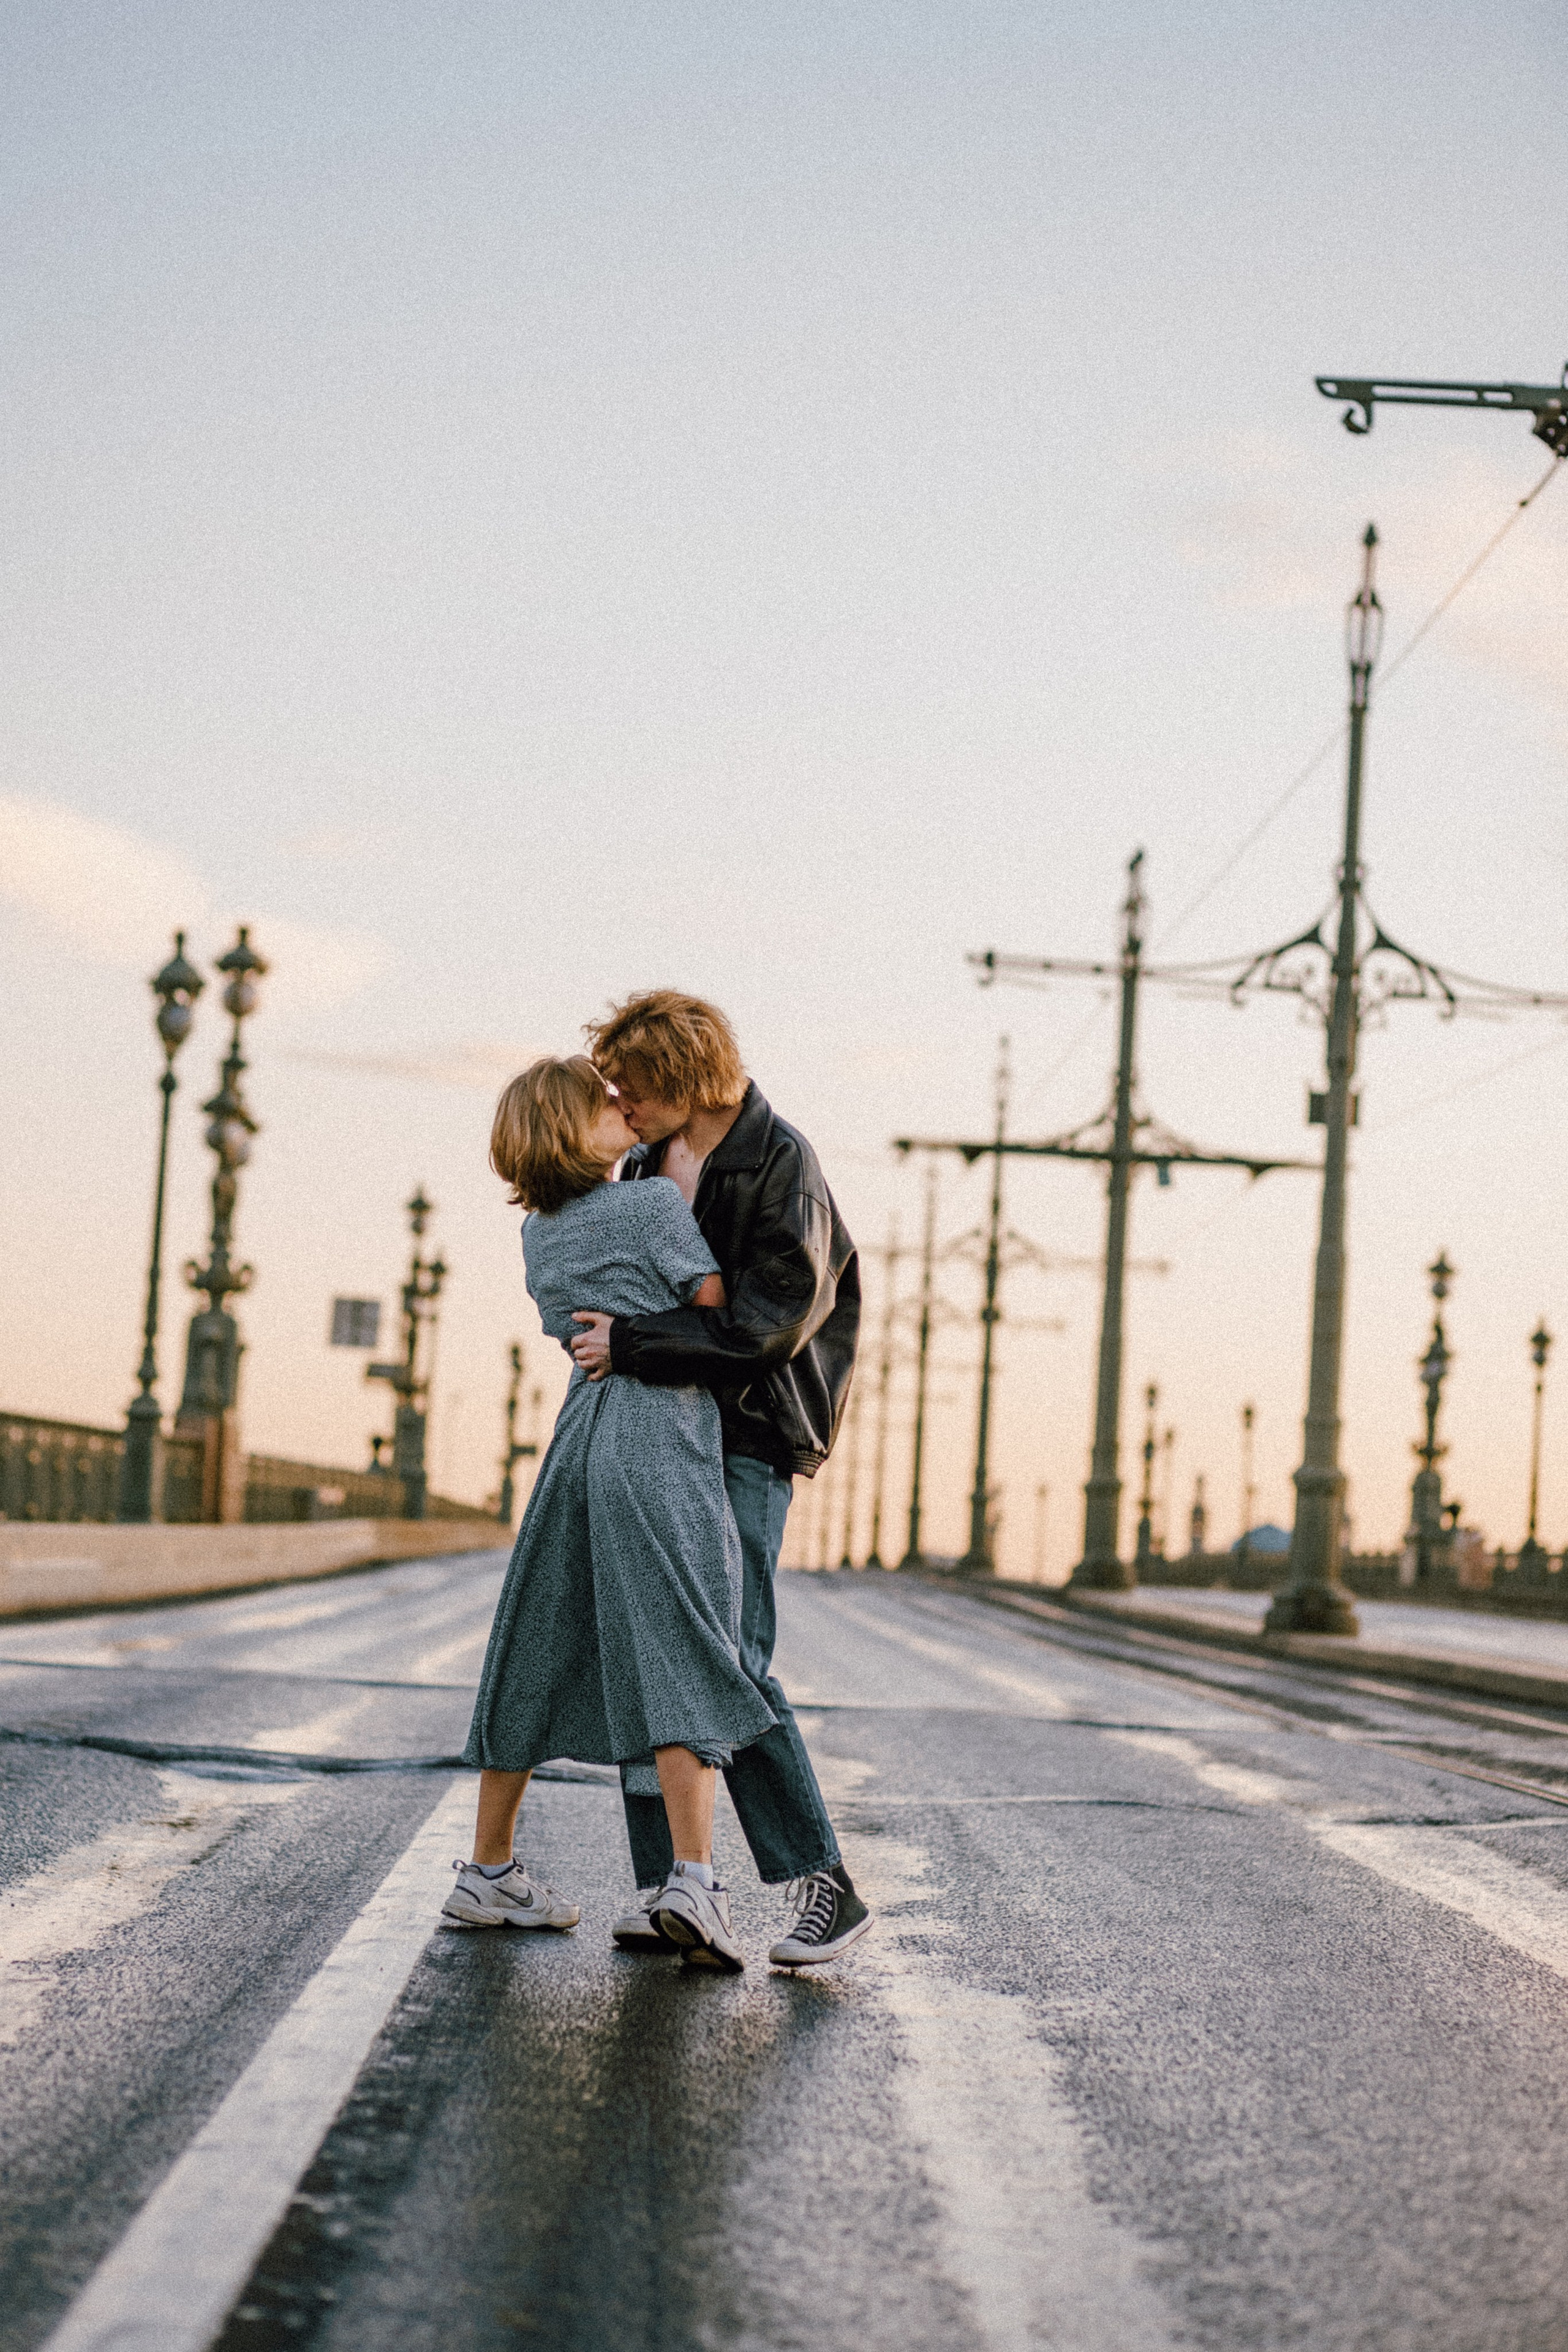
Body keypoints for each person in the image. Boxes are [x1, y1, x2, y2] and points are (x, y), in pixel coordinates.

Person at [445, 1054, 778, 1971]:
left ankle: (489, 1868)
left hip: (577, 1442)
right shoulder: (649, 1207)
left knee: (535, 1640)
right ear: (567, 1128)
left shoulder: (539, 1238)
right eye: (600, 1102)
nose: (619, 1105)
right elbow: (711, 1313)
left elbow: (580, 1328)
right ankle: (697, 1881)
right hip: (657, 1433)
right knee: (679, 1641)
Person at [568, 989, 874, 1968]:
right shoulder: (646, 1161)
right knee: (647, 1648)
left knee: (729, 1659)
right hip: (656, 1428)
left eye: (632, 1080)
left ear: (682, 1071)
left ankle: (828, 1889)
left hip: (746, 1435)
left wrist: (635, 1343)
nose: (619, 1096)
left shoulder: (782, 1166)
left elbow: (766, 1325)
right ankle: (670, 1889)